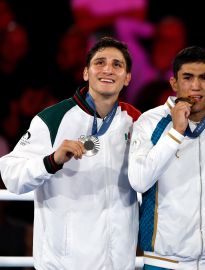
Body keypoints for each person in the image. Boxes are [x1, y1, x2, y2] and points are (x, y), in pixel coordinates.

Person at [0, 37, 140, 269]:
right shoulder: (53, 119)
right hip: (63, 263)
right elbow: (11, 176)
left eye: (117, 64)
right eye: (100, 62)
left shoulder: (137, 121)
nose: (108, 69)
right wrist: (51, 161)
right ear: (86, 73)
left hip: (118, 263)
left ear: (127, 78)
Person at [128, 46, 205, 270]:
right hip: (164, 262)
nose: (196, 86)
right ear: (174, 83)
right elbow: (139, 180)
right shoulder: (149, 122)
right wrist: (176, 132)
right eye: (188, 78)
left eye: (204, 78)